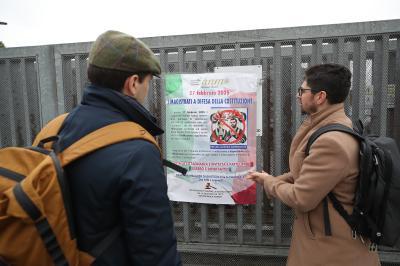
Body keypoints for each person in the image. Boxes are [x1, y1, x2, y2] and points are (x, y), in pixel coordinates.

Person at [56, 31, 181, 265]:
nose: (147, 90)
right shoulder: (137, 151)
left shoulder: (59, 128)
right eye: (148, 82)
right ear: (133, 83)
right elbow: (156, 253)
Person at [246, 64, 380, 266]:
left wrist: (270, 183)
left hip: (332, 251)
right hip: (327, 240)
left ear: (320, 97)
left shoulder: (331, 141)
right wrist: (275, 179)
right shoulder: (338, 125)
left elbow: (302, 197)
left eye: (302, 91)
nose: (298, 95)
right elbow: (313, 173)